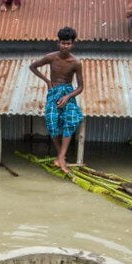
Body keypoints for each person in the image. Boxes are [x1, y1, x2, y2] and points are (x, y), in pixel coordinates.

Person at [29, 27, 84, 174]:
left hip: (67, 92)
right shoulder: (51, 57)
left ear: (73, 44)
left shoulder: (76, 63)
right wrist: (47, 80)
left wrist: (67, 97)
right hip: (53, 93)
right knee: (52, 122)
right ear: (58, 43)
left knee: (71, 119)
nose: (65, 46)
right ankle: (61, 157)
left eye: (68, 43)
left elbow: (80, 87)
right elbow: (32, 67)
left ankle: (61, 157)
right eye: (62, 43)